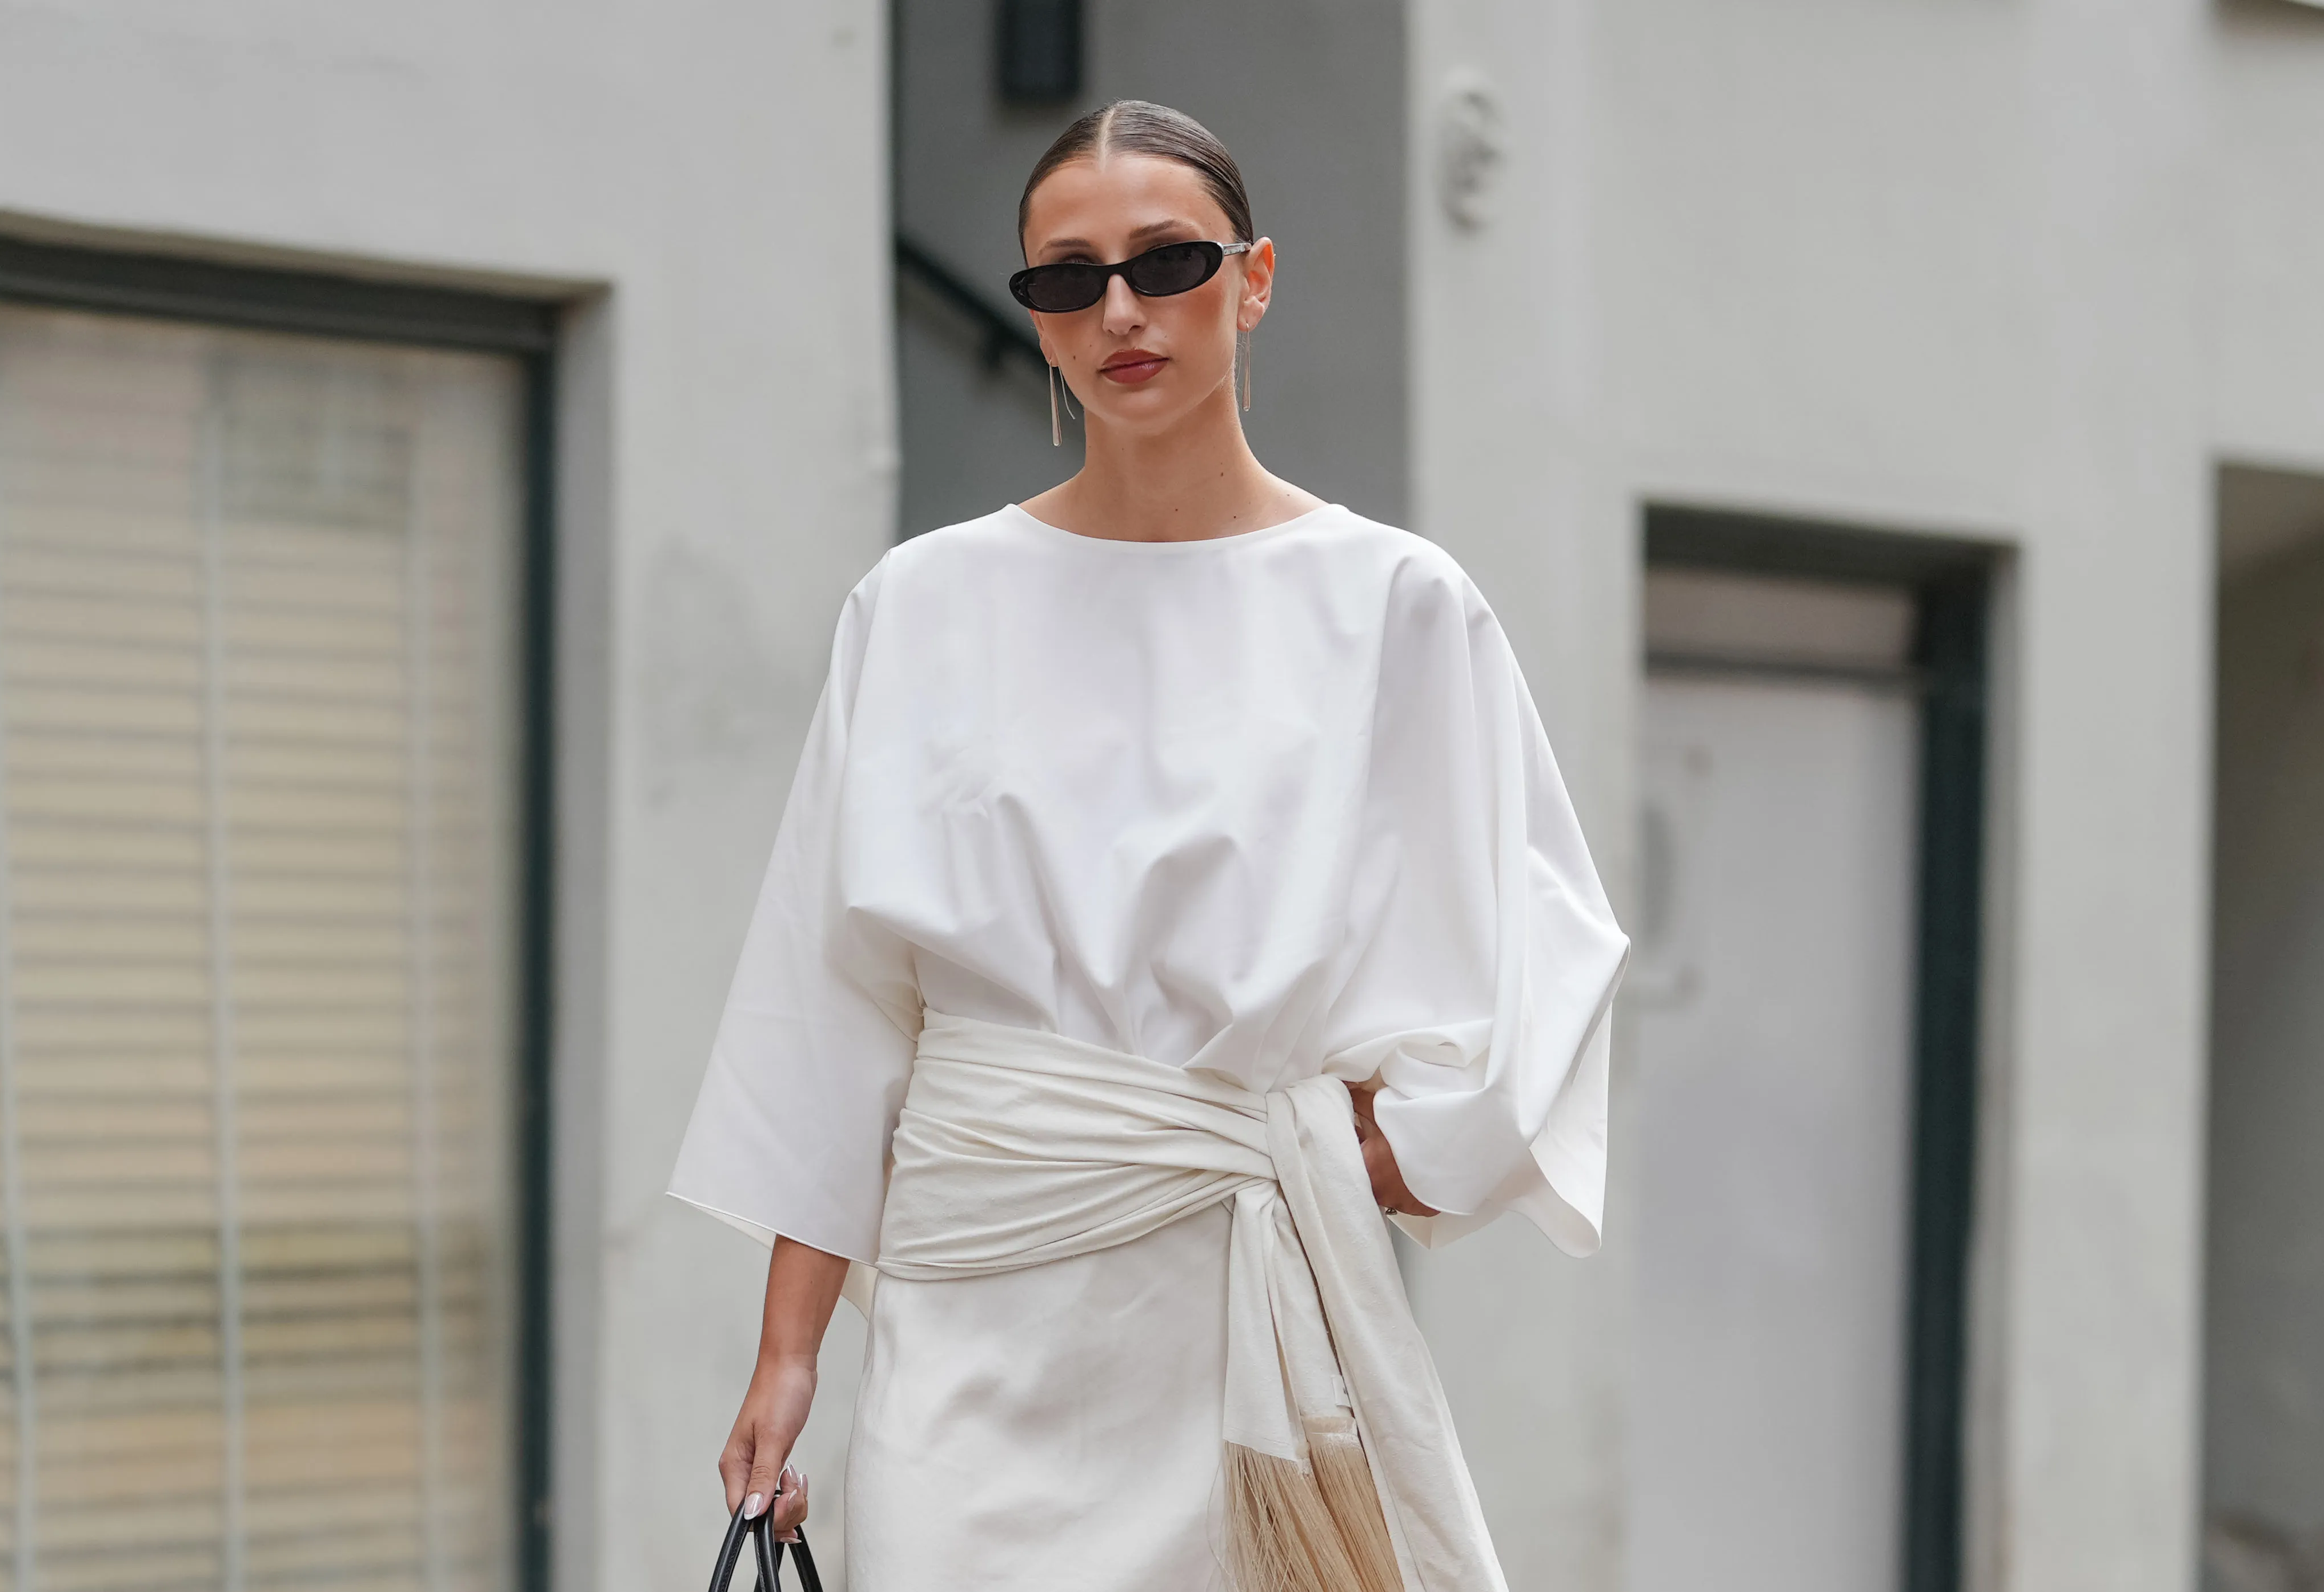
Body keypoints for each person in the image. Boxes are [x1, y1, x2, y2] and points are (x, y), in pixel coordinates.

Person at [669, 100, 1627, 1591]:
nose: (1119, 309)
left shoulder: (1393, 604)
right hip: (967, 1321)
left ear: (1251, 281)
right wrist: (787, 1355)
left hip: (1240, 1303)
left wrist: (1375, 1150)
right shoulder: (921, 607)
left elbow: (1545, 935)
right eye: (1066, 277)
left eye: (1166, 261)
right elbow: (836, 999)